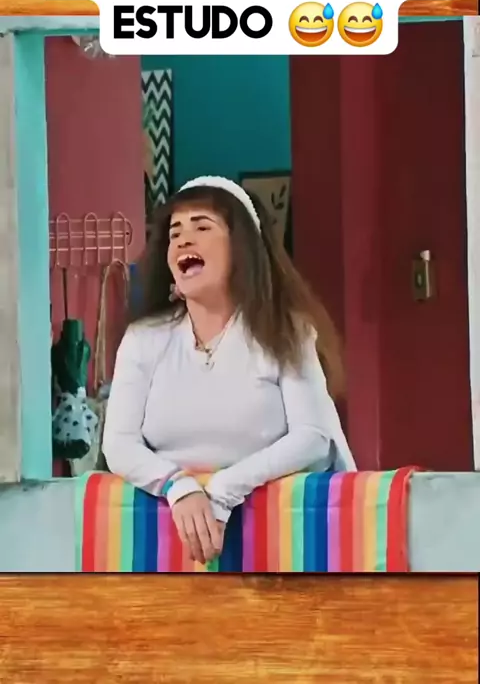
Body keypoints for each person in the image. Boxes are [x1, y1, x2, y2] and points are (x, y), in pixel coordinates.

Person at [103, 175, 355, 565]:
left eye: (202, 227)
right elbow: (118, 444)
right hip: (165, 542)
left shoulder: (286, 331)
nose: (183, 240)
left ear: (242, 249)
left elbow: (312, 438)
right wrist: (179, 487)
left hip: (283, 542)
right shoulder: (143, 338)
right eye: (174, 233)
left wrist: (224, 490)